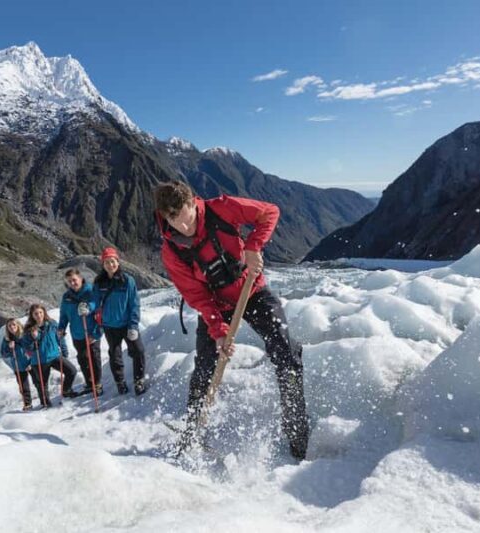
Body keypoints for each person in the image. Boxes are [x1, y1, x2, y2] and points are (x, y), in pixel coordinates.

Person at [153, 180, 309, 460]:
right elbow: (196, 294)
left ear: (193, 203)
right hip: (216, 303)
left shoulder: (221, 209)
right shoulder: (172, 251)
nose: (184, 228)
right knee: (204, 369)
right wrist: (218, 329)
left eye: (187, 219)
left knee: (286, 350)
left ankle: (297, 431)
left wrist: (253, 246)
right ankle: (192, 432)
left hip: (252, 290)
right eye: (174, 222)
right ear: (165, 217)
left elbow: (269, 212)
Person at [93, 247, 147, 395]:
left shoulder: (127, 281)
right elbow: (95, 302)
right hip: (110, 326)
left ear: (118, 261)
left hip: (127, 324)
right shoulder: (99, 283)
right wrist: (88, 307)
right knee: (115, 356)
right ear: (103, 265)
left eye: (113, 261)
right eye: (107, 262)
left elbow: (134, 304)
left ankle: (139, 380)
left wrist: (133, 326)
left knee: (138, 351)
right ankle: (120, 382)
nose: (110, 265)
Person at [58, 268, 103, 396]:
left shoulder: (90, 291)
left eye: (74, 280)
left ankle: (97, 384)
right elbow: (64, 315)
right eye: (69, 281)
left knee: (94, 358)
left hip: (90, 332)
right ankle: (89, 383)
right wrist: (61, 327)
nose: (72, 283)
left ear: (80, 278)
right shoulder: (67, 297)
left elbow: (97, 307)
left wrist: (89, 308)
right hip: (77, 333)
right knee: (83, 359)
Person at [23, 303, 78, 407]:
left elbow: (60, 338)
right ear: (32, 316)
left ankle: (66, 390)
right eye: (36, 314)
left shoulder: (52, 324)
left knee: (71, 371)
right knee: (43, 384)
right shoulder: (29, 330)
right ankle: (45, 402)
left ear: (44, 312)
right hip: (40, 360)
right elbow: (28, 348)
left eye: (40, 312)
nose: (39, 315)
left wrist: (64, 351)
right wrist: (34, 337)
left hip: (54, 356)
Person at [0, 318, 35, 411]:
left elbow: (33, 349)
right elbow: (3, 353)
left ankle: (44, 400)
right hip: (18, 365)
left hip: (30, 362)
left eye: (13, 325)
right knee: (23, 386)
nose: (12, 327)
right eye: (9, 326)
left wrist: (31, 362)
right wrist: (9, 348)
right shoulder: (7, 339)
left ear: (18, 325)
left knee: (38, 382)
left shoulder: (25, 336)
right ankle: (28, 404)